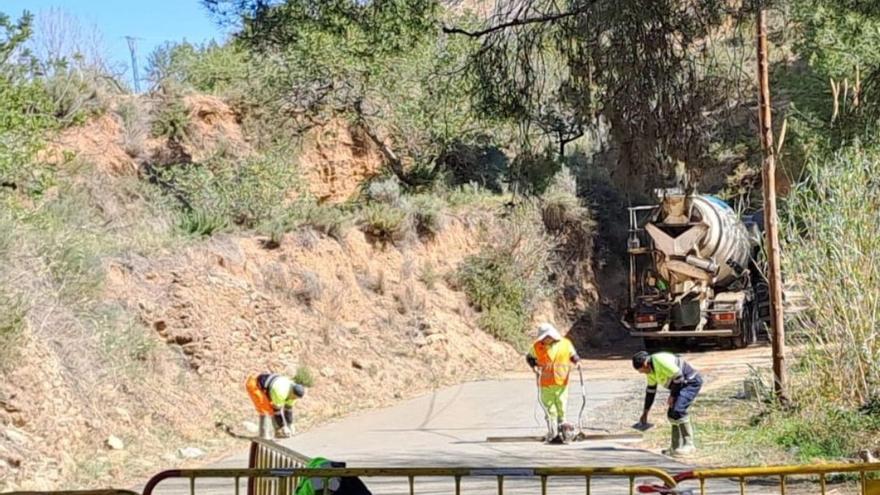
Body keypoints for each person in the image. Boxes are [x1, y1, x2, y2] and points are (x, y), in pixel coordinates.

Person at [632, 351, 702, 456]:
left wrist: (673, 395)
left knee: (678, 410)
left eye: (643, 371)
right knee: (671, 414)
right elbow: (651, 391)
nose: (644, 373)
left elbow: (679, 377)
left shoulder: (660, 360)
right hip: (679, 385)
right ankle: (675, 447)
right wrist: (645, 412)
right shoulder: (650, 371)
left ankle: (689, 445)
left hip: (690, 382)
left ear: (645, 364)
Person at [526, 323, 581, 443]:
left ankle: (563, 429)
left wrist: (577, 362)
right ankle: (552, 431)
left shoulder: (565, 343)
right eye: (544, 337)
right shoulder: (537, 346)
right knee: (549, 407)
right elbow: (530, 358)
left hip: (562, 381)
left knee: (561, 404)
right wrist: (534, 366)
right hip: (545, 382)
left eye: (548, 336)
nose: (546, 339)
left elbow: (573, 355)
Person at [246, 372, 306, 440]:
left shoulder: (294, 394)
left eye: (296, 398)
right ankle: (264, 436)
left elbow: (288, 410)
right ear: (292, 392)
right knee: (266, 410)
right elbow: (277, 412)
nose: (294, 399)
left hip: (270, 390)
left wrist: (290, 424)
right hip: (255, 385)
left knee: (272, 409)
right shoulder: (280, 392)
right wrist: (283, 427)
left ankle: (279, 433)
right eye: (294, 397)